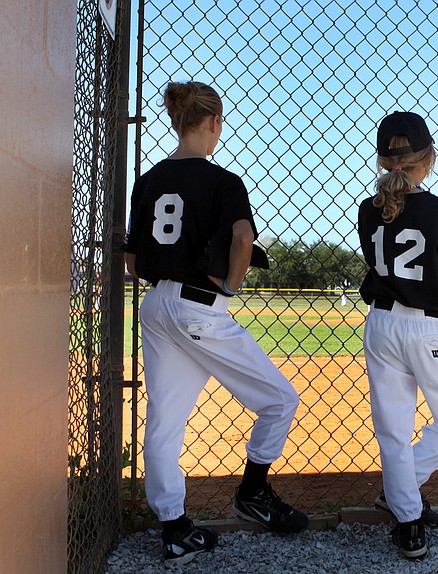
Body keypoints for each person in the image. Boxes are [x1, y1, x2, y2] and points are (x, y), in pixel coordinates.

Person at [123, 81, 307, 565]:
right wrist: (229, 287)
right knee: (280, 400)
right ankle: (252, 495)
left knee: (165, 422)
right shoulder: (224, 181)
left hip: (154, 305)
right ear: (211, 123)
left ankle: (174, 529)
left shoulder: (149, 179)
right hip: (199, 309)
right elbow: (243, 239)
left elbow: (132, 260)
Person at [358, 111, 438, 560]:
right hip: (424, 325)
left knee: (392, 428)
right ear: (425, 160)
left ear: (384, 162)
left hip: (381, 323)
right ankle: (403, 497)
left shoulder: (369, 210)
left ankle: (403, 507)